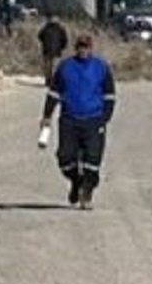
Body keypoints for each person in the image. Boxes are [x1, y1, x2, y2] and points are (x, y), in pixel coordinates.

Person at [39, 33, 117, 209]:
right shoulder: (65, 67)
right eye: (80, 46)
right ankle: (76, 182)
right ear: (76, 48)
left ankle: (87, 191)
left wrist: (104, 118)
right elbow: (53, 93)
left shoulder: (101, 67)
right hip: (69, 119)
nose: (83, 50)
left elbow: (109, 95)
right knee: (64, 157)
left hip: (93, 120)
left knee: (92, 160)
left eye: (86, 47)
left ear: (91, 48)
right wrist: (46, 116)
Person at [37, 15, 69, 81]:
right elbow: (65, 40)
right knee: (54, 67)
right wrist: (62, 47)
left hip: (46, 50)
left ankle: (48, 79)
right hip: (57, 51)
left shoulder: (46, 28)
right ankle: (52, 80)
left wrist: (44, 43)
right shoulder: (61, 29)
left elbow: (39, 36)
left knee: (47, 66)